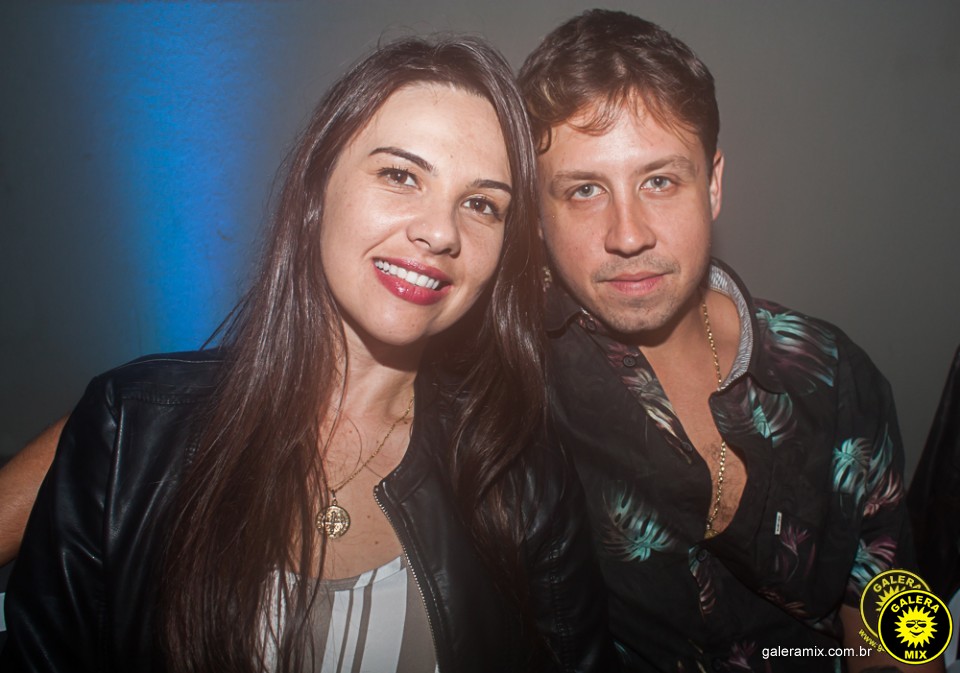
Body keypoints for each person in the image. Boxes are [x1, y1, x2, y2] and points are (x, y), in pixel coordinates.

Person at [0, 36, 613, 672]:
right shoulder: (128, 427)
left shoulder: (525, 480)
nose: (440, 232)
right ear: (319, 188)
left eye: (481, 204)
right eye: (400, 175)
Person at [517, 9, 939, 673]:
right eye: (584, 190)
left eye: (659, 180)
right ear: (538, 217)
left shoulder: (834, 374)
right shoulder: (511, 393)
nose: (628, 234)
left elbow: (894, 625)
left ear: (712, 185)